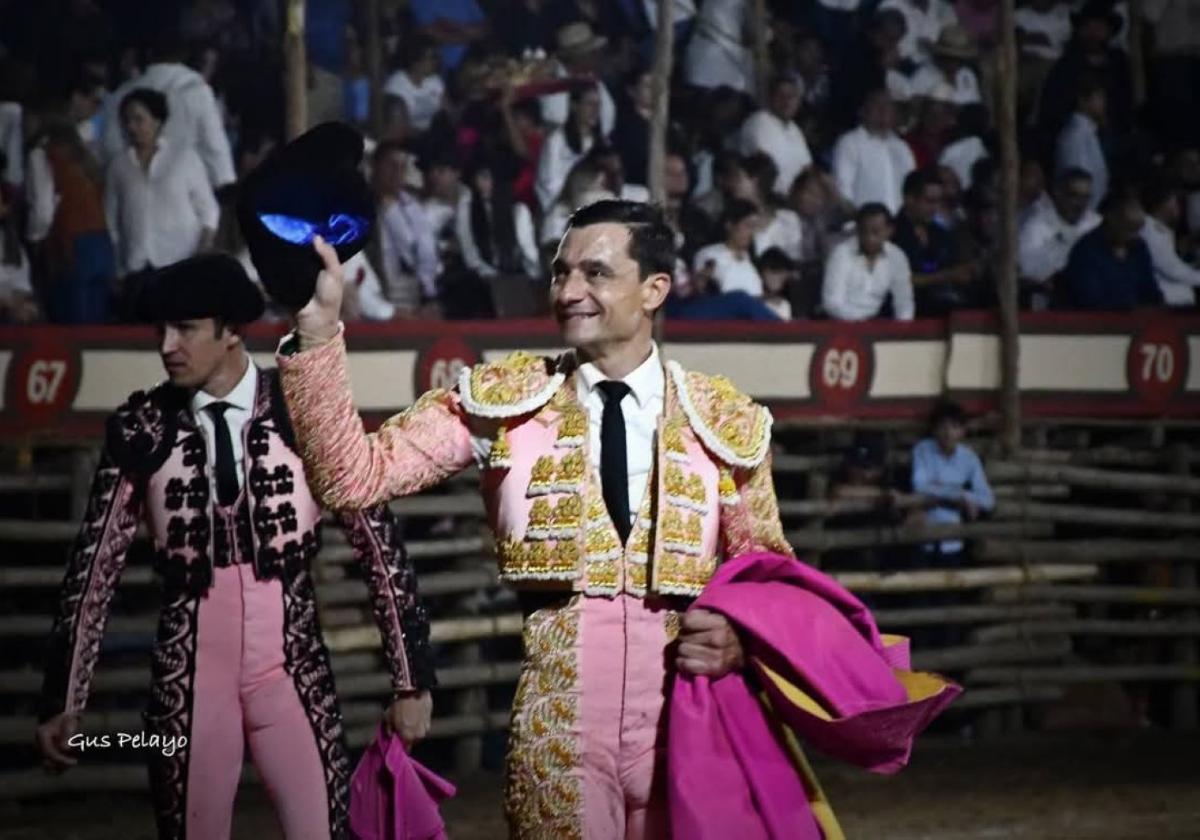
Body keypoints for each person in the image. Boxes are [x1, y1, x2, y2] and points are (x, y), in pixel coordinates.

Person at [278, 199, 799, 836]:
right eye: (560, 273)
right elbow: (350, 480)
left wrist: (743, 641)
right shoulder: (506, 400)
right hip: (559, 731)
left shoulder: (723, 417)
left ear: (654, 289)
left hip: (693, 725)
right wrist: (317, 334)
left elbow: (768, 576)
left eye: (595, 274)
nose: (569, 292)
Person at [35, 254, 435, 839]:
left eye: (186, 329)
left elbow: (380, 548)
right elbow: (94, 570)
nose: (168, 345)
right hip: (187, 683)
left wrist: (411, 680)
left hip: (293, 672)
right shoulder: (143, 428)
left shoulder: (305, 410)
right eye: (161, 331)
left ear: (230, 331)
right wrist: (62, 700)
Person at [105, 89, 220, 280]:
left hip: (181, 262)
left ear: (157, 121)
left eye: (138, 119)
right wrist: (117, 267)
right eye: (127, 120)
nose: (131, 127)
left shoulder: (184, 158)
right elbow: (111, 218)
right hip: (136, 265)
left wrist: (202, 250)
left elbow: (209, 210)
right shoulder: (119, 165)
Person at [102, 35, 236, 189]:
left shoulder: (121, 94)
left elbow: (111, 150)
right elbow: (214, 150)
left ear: (149, 54)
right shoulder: (196, 92)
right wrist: (224, 187)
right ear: (183, 54)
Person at [911, 400, 993, 559]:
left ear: (963, 431)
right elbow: (919, 485)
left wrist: (966, 497)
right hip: (924, 536)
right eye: (943, 427)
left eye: (955, 427)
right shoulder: (923, 450)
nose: (948, 433)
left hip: (953, 539)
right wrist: (957, 495)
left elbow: (988, 499)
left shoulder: (969, 457)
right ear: (934, 429)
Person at [892, 167, 979, 316]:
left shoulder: (941, 235)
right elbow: (899, 280)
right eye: (929, 201)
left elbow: (955, 267)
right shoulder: (891, 234)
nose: (935, 208)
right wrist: (947, 276)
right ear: (909, 199)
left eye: (938, 202)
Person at [1061, 191, 1164, 311]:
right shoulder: (1085, 251)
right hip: (1095, 323)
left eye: (1138, 230)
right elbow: (1089, 301)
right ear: (1111, 219)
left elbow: (1151, 290)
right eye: (1129, 229)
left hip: (1137, 322)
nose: (1135, 236)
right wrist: (1131, 309)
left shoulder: (1139, 248)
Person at [372, 140, 441, 315]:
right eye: (391, 165)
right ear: (375, 166)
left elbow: (423, 253)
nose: (397, 173)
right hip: (373, 299)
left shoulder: (412, 206)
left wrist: (429, 295)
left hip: (411, 299)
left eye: (402, 167)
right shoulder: (359, 204)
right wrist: (388, 209)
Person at [1017, 166, 1100, 308]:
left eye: (1085, 197)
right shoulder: (1037, 226)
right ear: (1058, 193)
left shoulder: (1097, 223)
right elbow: (1026, 272)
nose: (1080, 204)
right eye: (1074, 196)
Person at [823, 202, 915, 321]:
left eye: (876, 232)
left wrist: (902, 332)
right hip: (840, 325)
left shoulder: (897, 256)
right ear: (857, 229)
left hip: (877, 324)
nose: (869, 238)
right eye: (863, 232)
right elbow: (832, 303)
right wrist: (861, 323)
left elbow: (904, 300)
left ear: (889, 231)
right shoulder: (841, 253)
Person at [833, 88, 917, 215]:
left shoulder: (902, 147)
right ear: (862, 111)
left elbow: (912, 188)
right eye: (877, 105)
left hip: (899, 226)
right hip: (862, 225)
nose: (883, 110)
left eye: (888, 106)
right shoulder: (850, 143)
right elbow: (843, 191)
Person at [738, 76, 813, 197]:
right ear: (770, 97)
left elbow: (807, 168)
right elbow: (769, 169)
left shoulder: (794, 129)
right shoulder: (759, 121)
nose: (786, 101)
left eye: (792, 96)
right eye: (781, 95)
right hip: (768, 198)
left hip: (795, 200)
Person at [536, 86, 604, 209]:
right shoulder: (556, 140)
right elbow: (549, 184)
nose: (595, 110)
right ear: (574, 106)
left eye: (598, 105)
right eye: (589, 104)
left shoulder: (599, 141)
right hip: (564, 204)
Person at [1140, 177, 1200, 308]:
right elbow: (1173, 270)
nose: (1179, 206)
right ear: (1162, 203)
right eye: (1175, 201)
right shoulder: (1148, 228)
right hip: (1164, 305)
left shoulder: (1162, 229)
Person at [692, 198, 765, 298]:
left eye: (754, 227)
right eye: (748, 225)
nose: (751, 233)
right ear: (729, 225)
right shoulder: (709, 254)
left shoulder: (751, 261)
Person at [1056, 79, 1109, 211]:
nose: (1103, 104)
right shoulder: (1075, 135)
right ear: (1083, 101)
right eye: (1098, 98)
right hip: (1080, 210)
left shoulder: (1089, 132)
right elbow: (1076, 175)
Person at [383, 38, 445, 135]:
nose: (436, 61)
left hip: (434, 137)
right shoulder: (396, 85)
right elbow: (398, 129)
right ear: (416, 62)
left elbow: (447, 111)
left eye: (436, 57)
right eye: (432, 57)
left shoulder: (434, 80)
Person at [909, 25, 982, 106]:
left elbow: (975, 104)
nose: (957, 63)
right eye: (952, 58)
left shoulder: (968, 75)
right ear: (942, 56)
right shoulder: (923, 76)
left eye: (960, 59)